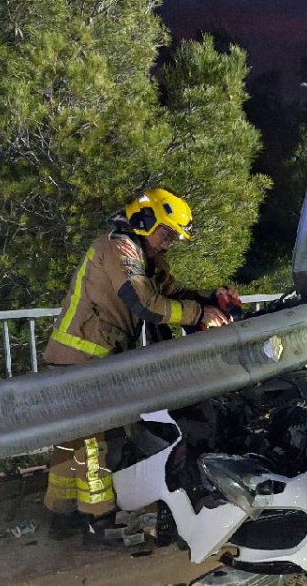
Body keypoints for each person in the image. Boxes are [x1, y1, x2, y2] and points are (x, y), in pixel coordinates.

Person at [42, 188, 238, 545]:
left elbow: (171, 293)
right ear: (146, 220)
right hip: (80, 358)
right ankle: (98, 521)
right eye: (166, 233)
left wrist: (211, 298)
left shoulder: (145, 255)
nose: (168, 242)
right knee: (93, 443)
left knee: (72, 441)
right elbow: (145, 302)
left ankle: (59, 513)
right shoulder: (119, 248)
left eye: (173, 237)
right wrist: (199, 314)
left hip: (92, 359)